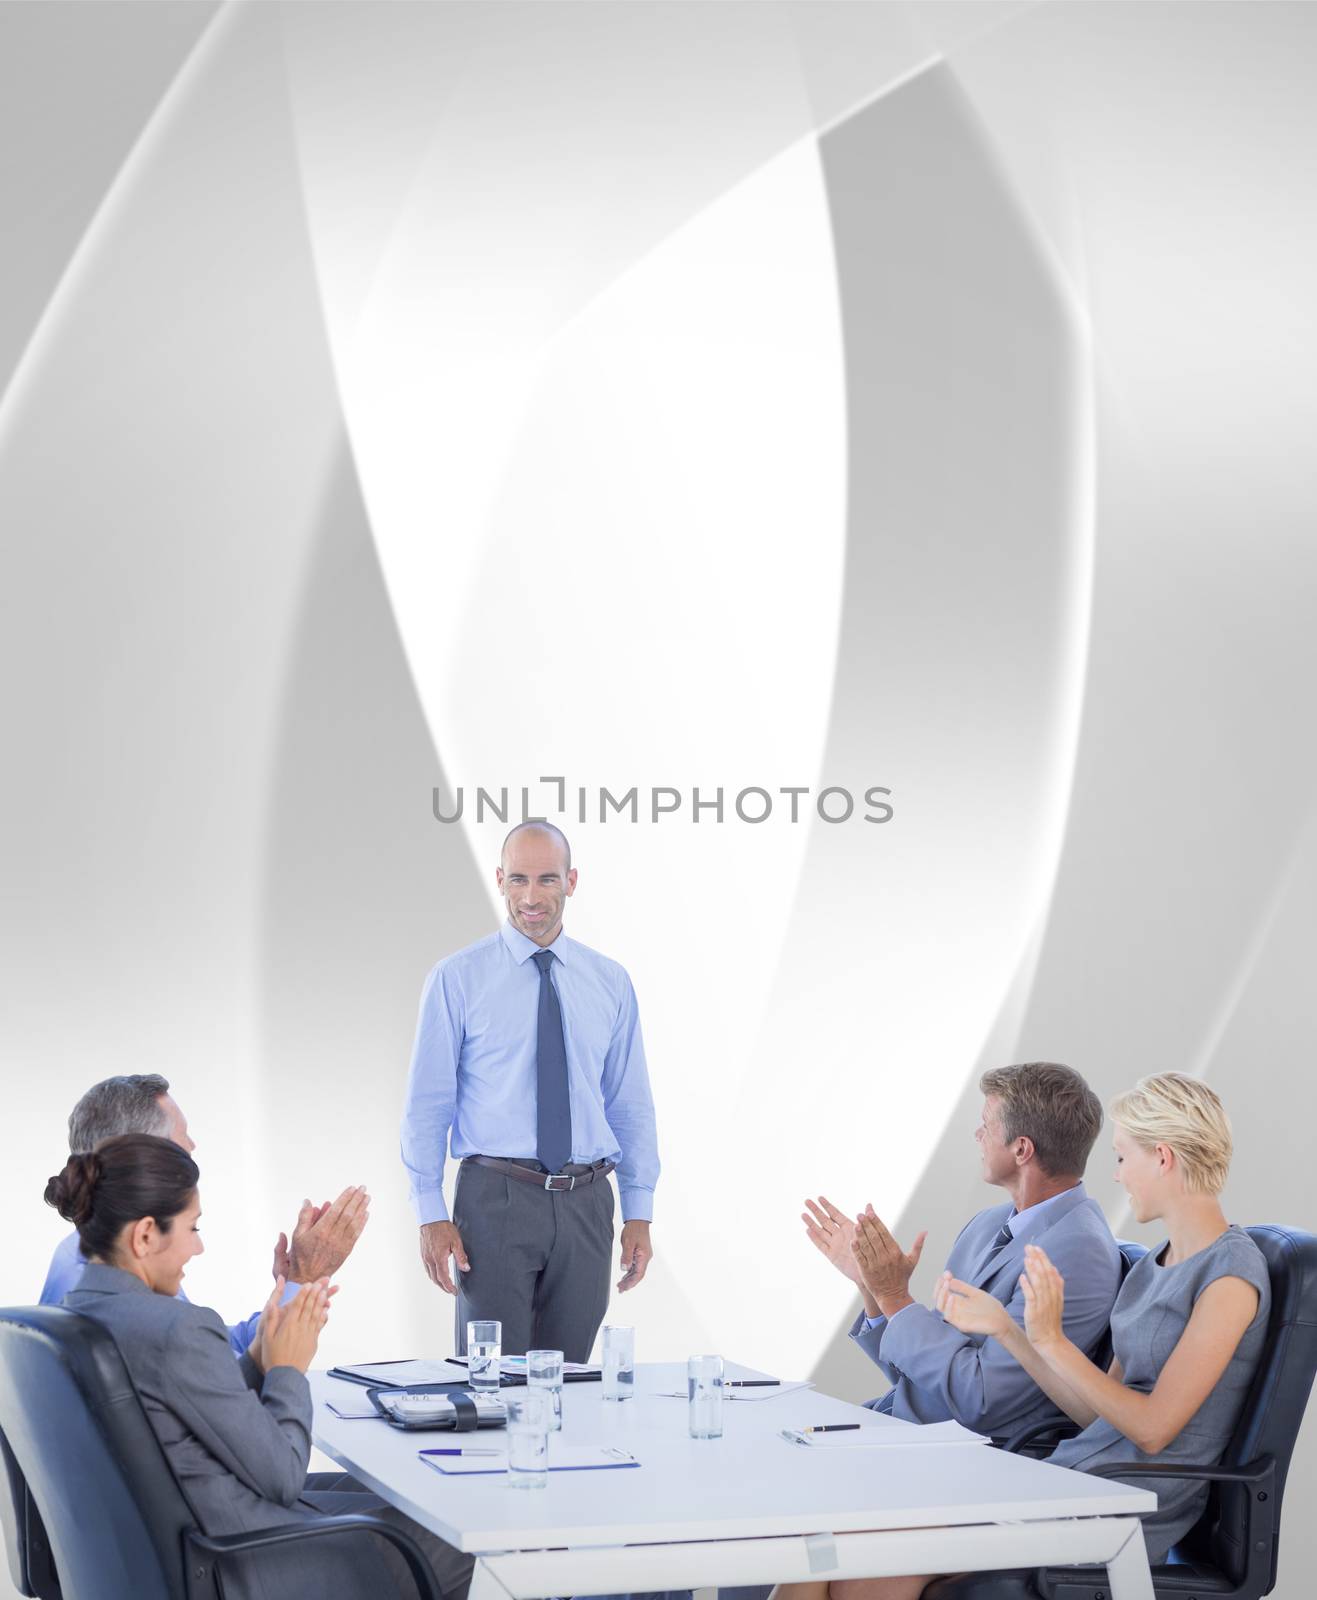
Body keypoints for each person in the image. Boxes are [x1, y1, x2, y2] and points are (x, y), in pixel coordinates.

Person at [774, 1073, 1272, 1600]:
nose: (1117, 1175)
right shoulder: (1153, 1265)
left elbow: (1151, 1430)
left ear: (1163, 1157)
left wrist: (1052, 1343)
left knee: (868, 1573)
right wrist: (1012, 1333)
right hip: (1069, 1477)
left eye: (1125, 1157)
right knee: (829, 1549)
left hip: (1122, 1503)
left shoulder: (1231, 1275)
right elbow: (1096, 1416)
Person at [49, 1133, 472, 1600]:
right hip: (245, 1563)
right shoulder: (174, 1329)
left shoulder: (73, 1315)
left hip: (186, 1543)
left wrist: (256, 1358)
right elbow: (283, 1475)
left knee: (410, 1497)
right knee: (460, 1533)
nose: (199, 1249)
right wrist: (288, 1368)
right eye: (192, 1229)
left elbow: (181, 1414)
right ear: (146, 1234)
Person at [401, 821, 660, 1359]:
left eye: (547, 879)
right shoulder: (457, 979)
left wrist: (639, 1209)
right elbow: (428, 1104)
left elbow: (628, 1103)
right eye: (518, 879)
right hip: (495, 1199)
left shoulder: (609, 981)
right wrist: (430, 1212)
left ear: (571, 881)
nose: (532, 897)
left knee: (570, 1387)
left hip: (588, 1202)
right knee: (491, 1385)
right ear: (499, 879)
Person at [804, 1062, 1120, 1444]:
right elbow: (925, 1375)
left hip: (967, 1455)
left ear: (1021, 1148)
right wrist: (873, 1288)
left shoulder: (1076, 1252)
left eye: (986, 1124)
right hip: (902, 1428)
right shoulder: (988, 1224)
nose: (977, 1134)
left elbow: (979, 1399)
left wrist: (895, 1298)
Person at [40, 1073, 369, 1359]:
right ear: (143, 1157)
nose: (193, 1148)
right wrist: (307, 1278)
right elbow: (234, 1392)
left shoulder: (86, 1255)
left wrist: (297, 1285)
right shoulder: (124, 1297)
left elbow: (221, 1352)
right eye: (180, 1147)